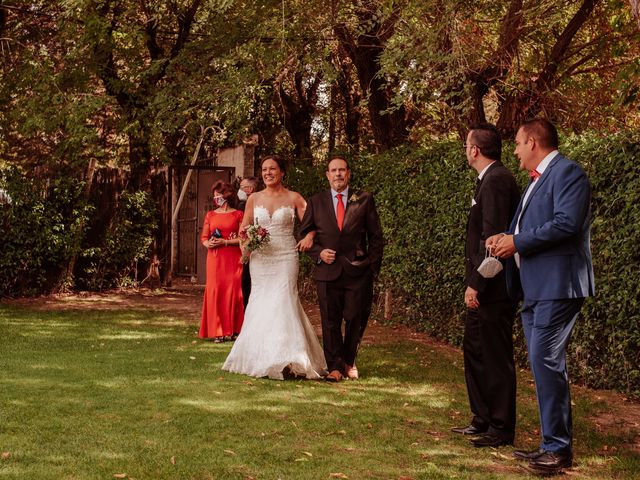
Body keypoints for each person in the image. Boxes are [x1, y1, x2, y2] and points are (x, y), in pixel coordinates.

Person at [488, 118, 595, 475]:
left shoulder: (568, 173)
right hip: (533, 286)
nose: (515, 151)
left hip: (557, 284)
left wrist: (516, 241)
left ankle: (558, 450)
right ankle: (550, 444)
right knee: (542, 364)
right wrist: (505, 237)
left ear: (533, 142)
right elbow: (528, 228)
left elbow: (566, 224)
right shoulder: (535, 181)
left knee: (545, 361)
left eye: (518, 143)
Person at [222, 155, 327, 380]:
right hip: (261, 259)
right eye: (264, 169)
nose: (268, 173)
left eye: (272, 169)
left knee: (284, 301)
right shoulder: (254, 199)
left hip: (286, 256)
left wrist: (309, 236)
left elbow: (314, 222)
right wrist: (246, 246)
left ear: (282, 172)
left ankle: (292, 358)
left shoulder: (294, 197)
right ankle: (263, 358)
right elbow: (244, 228)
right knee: (262, 303)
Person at [451, 124, 520, 448]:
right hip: (482, 285)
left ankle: (501, 427)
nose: (466, 150)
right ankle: (482, 419)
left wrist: (476, 284)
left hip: (494, 288)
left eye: (467, 145)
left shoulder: (496, 181)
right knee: (475, 351)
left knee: (494, 356)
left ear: (475, 150)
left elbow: (493, 240)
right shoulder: (489, 180)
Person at [299, 157, 384, 382]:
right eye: (333, 170)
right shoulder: (316, 201)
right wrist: (318, 253)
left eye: (342, 170)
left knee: (356, 318)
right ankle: (335, 367)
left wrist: (372, 268)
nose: (337, 174)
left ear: (348, 174)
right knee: (330, 320)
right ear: (327, 175)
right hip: (327, 272)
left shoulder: (364, 199)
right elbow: (303, 234)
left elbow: (376, 237)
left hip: (358, 271)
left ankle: (349, 359)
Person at [199, 181, 245, 342]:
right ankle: (217, 331)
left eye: (219, 194)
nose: (216, 197)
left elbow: (243, 238)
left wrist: (225, 242)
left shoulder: (238, 214)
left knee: (232, 290)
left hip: (233, 257)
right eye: (215, 195)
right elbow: (204, 238)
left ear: (227, 195)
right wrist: (208, 244)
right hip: (215, 258)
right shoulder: (210, 215)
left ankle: (232, 330)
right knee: (216, 289)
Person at [237, 176, 259, 308]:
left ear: (249, 189)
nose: (239, 191)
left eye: (241, 188)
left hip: (250, 247)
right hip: (249, 246)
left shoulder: (243, 205)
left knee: (247, 282)